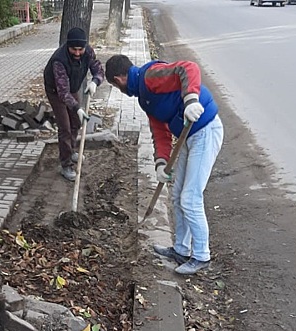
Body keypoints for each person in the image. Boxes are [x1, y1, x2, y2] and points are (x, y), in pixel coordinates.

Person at [105, 55, 224, 275]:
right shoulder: (144, 96)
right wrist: (161, 163)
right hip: (189, 137)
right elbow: (159, 131)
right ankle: (180, 249)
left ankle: (201, 256)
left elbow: (188, 69)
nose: (119, 88)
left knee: (190, 197)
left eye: (115, 85)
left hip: (205, 130)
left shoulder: (150, 77)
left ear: (119, 79)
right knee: (178, 195)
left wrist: (191, 100)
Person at [43, 27, 104, 181]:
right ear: (68, 46)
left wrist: (95, 81)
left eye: (80, 49)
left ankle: (71, 150)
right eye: (73, 49)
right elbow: (63, 93)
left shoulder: (88, 51)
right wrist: (76, 107)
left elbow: (98, 69)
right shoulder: (59, 60)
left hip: (73, 87)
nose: (77, 53)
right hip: (56, 90)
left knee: (76, 122)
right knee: (65, 126)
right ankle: (66, 164)